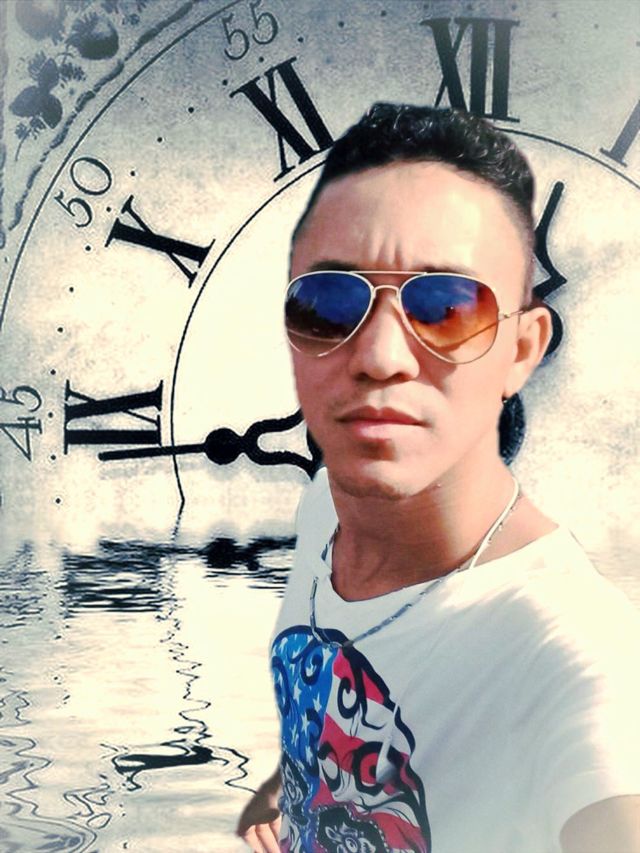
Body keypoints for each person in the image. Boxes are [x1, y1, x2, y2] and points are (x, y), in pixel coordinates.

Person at [235, 104, 640, 853]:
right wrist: (290, 795)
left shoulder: (571, 651)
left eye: (447, 308)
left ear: (522, 350)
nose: (379, 357)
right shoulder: (326, 511)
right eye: (329, 304)